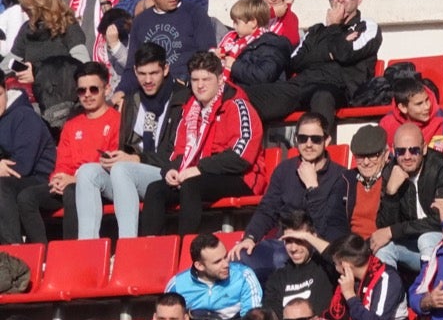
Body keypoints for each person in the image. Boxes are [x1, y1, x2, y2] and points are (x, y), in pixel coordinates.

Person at [140, 52, 268, 236]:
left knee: (192, 185)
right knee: (155, 189)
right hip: (197, 175)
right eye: (195, 79)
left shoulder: (238, 106)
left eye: (206, 79)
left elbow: (241, 156)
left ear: (220, 79)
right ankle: (152, 249)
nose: (200, 85)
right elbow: (177, 152)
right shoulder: (189, 110)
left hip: (239, 177)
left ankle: (187, 248)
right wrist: (171, 170)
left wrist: (200, 168)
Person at [75, 43, 189, 240]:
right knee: (87, 172)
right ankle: (86, 246)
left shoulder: (182, 98)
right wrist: (116, 157)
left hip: (166, 173)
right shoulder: (132, 99)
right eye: (142, 74)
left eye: (154, 73)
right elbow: (125, 146)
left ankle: (128, 243)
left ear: (166, 69)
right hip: (130, 174)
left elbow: (177, 154)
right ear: (135, 71)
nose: (148, 80)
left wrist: (135, 159)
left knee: (122, 169)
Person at [253, 0, 382, 128]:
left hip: (339, 89)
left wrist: (334, 27)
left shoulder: (367, 27)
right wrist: (330, 51)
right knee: (247, 95)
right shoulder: (316, 31)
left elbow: (344, 54)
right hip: (303, 85)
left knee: (322, 96)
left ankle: (319, 147)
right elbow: (294, 61)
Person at [232, 112, 354, 275]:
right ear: (296, 139)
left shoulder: (341, 177)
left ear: (327, 140)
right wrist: (250, 237)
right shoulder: (284, 170)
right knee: (239, 259)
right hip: (284, 243)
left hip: (318, 247)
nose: (308, 144)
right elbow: (268, 209)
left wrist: (312, 188)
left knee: (281, 259)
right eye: (303, 138)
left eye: (315, 139)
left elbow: (329, 227)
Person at [16, 62, 120, 242]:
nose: (87, 95)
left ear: (107, 88)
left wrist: (74, 179)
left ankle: (71, 251)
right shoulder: (72, 124)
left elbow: (110, 163)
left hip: (100, 187)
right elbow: (63, 161)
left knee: (73, 191)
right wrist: (58, 179)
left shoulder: (117, 120)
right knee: (27, 198)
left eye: (93, 89)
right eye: (82, 91)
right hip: (68, 183)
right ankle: (44, 255)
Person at [116, 0, 214, 94]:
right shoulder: (140, 22)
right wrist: (121, 92)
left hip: (186, 93)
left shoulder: (195, 14)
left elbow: (208, 59)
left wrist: (185, 82)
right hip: (149, 94)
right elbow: (132, 68)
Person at [372, 122, 443, 274]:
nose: (407, 156)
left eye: (414, 150)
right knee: (383, 248)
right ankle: (390, 297)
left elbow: (440, 220)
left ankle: (428, 293)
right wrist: (391, 193)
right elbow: (384, 226)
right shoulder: (390, 171)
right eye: (401, 151)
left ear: (424, 148)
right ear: (393, 150)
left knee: (426, 239)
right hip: (411, 243)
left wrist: (394, 231)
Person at [166, 232, 263, 320]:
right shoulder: (177, 285)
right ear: (199, 266)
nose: (226, 264)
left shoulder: (243, 276)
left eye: (225, 256)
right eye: (217, 262)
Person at [0, 84, 56, 247]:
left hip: (39, 180)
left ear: (6, 91)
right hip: (16, 181)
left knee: (1, 186)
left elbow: (21, 167)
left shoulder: (24, 116)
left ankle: (13, 249)